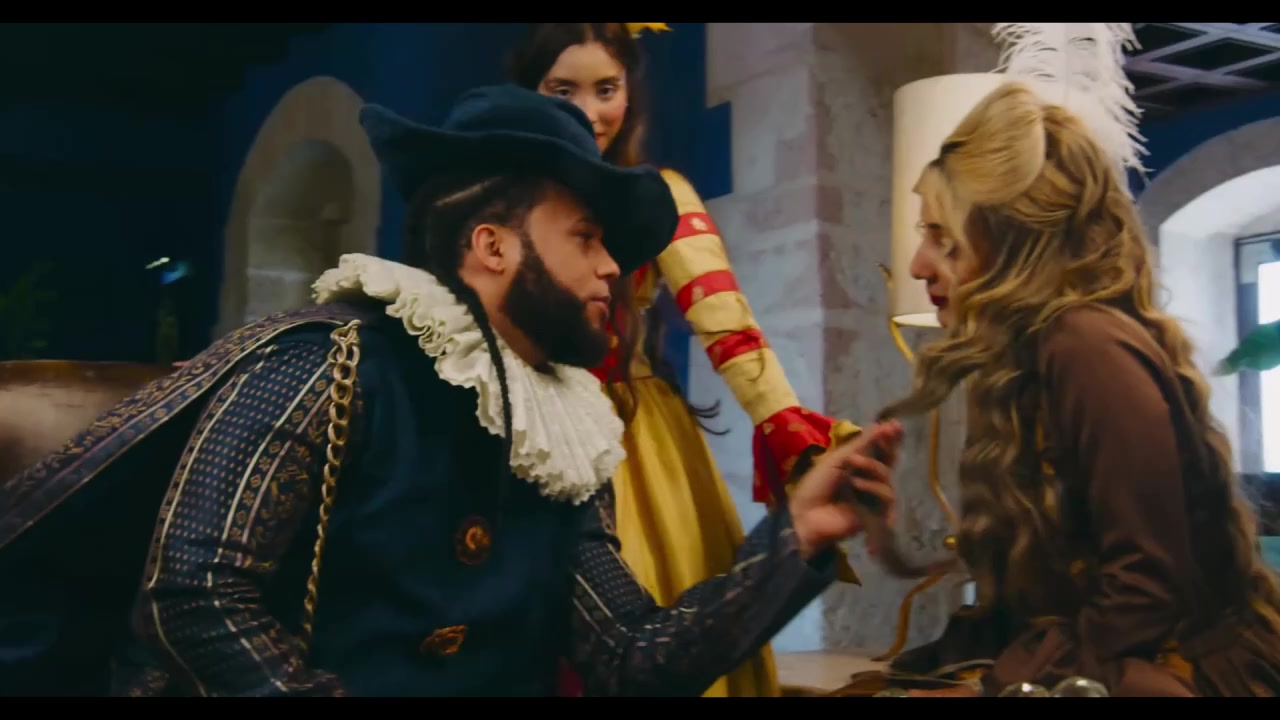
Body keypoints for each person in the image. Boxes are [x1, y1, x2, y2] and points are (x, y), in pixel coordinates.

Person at [0, 84, 903, 697]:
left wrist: (796, 538)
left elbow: (632, 658)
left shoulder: (565, 432)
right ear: (493, 246)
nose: (611, 268)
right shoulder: (323, 362)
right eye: (586, 236)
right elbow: (194, 595)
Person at [871, 81, 1280, 697]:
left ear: (1011, 241)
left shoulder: (1085, 344)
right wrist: (881, 539)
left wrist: (993, 688)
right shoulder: (1033, 357)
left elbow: (1145, 593)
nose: (918, 266)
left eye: (943, 237)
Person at [508, 23, 860, 698]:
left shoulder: (661, 193)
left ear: (629, 92)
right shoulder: (504, 199)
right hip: (521, 431)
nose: (588, 111)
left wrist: (788, 429)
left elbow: (725, 321)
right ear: (532, 92)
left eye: (606, 88)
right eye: (563, 90)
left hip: (632, 442)